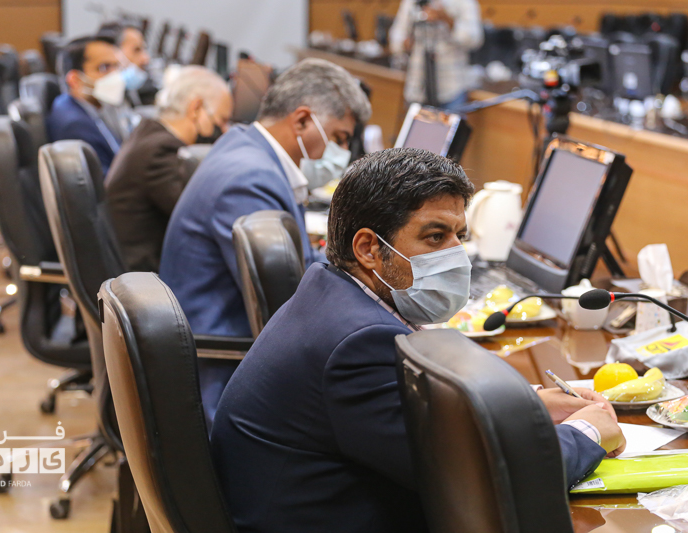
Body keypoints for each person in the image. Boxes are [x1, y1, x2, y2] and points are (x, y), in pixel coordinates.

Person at [211, 148, 626, 533]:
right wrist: (586, 432)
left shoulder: (333, 293)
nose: (456, 254)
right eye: (435, 237)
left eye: (459, 235)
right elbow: (482, 480)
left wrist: (529, 405)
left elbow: (423, 418)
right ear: (369, 248)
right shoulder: (358, 344)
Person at [160, 57, 371, 424]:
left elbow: (295, 268)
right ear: (302, 121)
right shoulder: (250, 179)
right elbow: (292, 306)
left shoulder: (244, 146)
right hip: (222, 377)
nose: (341, 152)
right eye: (338, 138)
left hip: (223, 350)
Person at [105, 66, 232, 273]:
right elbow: (203, 219)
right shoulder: (161, 153)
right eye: (222, 120)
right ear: (196, 108)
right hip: (146, 279)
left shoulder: (148, 133)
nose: (225, 131)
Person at [46, 36, 124, 176]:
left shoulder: (83, 106)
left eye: (117, 66)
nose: (116, 76)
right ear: (75, 80)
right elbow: (107, 183)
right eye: (104, 67)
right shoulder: (76, 126)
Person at [389, 0, 484, 109]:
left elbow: (475, 39)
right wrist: (407, 41)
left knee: (450, 118)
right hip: (417, 86)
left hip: (451, 87)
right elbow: (395, 40)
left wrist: (446, 19)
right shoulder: (411, 2)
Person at [98, 22, 156, 106]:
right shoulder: (99, 101)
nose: (146, 58)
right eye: (136, 50)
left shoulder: (128, 92)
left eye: (144, 49)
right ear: (113, 52)